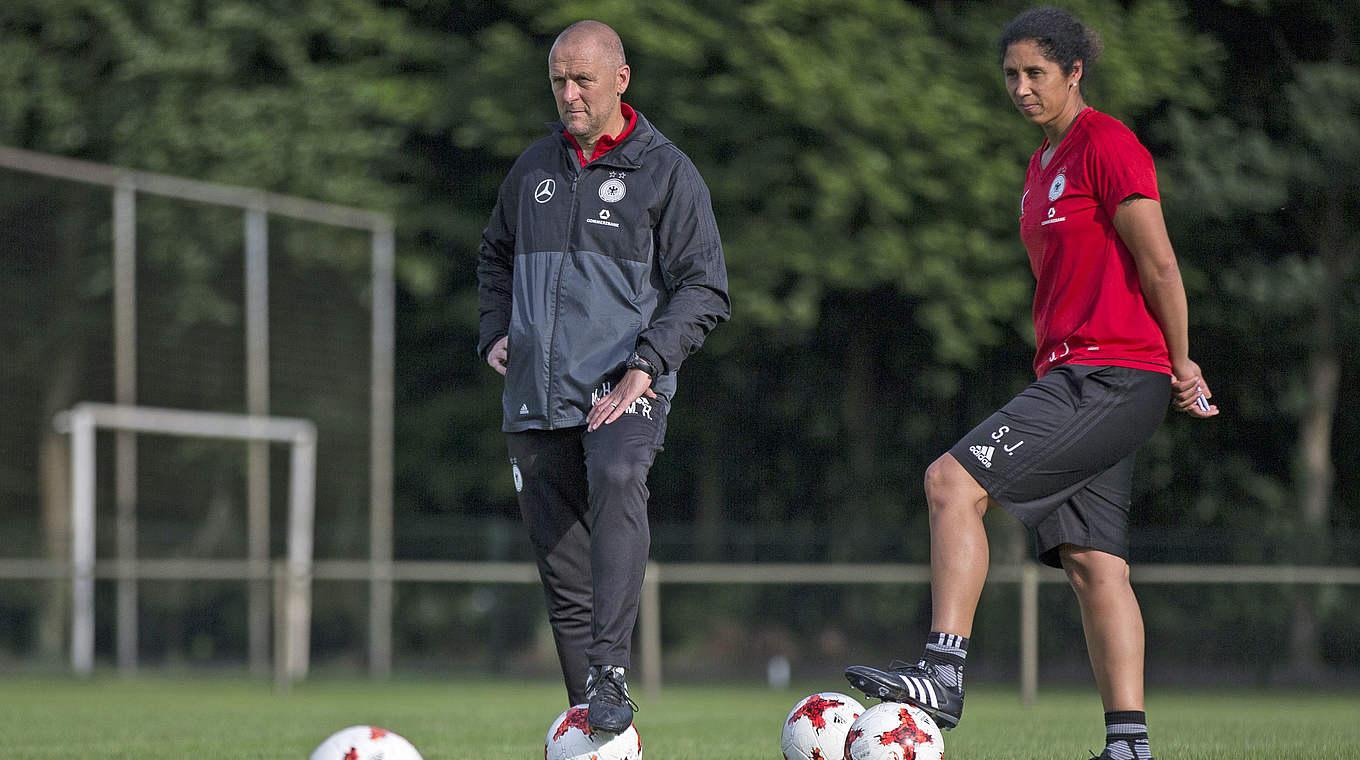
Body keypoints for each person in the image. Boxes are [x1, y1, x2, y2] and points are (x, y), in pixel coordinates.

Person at [843, 7, 1217, 760]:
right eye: (1011, 74)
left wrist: (1182, 361)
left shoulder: (1107, 145)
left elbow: (1161, 263)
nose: (1020, 88)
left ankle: (942, 673)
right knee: (1094, 565)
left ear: (1074, 72)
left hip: (1111, 374)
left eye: (1035, 74)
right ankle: (1129, 746)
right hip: (1081, 373)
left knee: (950, 482)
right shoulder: (1041, 165)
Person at [476, 19, 729, 733]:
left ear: (621, 79)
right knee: (561, 564)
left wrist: (648, 364)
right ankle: (590, 717)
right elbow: (494, 257)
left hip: (621, 388)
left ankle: (611, 672)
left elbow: (705, 287)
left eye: (583, 79)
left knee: (619, 479)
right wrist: (495, 330)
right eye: (558, 80)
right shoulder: (531, 170)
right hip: (533, 394)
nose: (569, 93)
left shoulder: (667, 171)